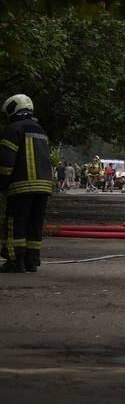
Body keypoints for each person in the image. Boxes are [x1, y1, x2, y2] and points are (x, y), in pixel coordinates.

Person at [0, 94, 54, 273]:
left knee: (16, 222)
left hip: (21, 185)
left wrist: (3, 182)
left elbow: (7, 161)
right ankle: (32, 260)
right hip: (44, 186)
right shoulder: (40, 130)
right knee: (34, 222)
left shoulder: (14, 128)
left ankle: (15, 261)